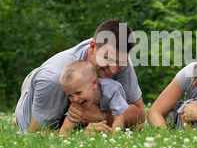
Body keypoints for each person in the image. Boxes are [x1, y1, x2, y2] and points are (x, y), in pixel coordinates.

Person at [15, 20, 145, 134]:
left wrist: (99, 117)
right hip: (41, 82)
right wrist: (81, 134)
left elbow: (140, 115)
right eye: (107, 59)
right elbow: (36, 133)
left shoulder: (119, 59)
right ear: (93, 47)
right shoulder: (53, 78)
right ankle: (18, 116)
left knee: (137, 127)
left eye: (120, 62)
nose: (113, 69)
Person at [59, 61, 129, 135]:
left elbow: (120, 115)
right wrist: (63, 135)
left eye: (78, 93)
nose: (75, 99)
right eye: (70, 95)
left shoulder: (111, 89)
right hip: (94, 127)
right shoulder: (79, 101)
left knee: (135, 126)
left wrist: (114, 136)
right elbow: (69, 121)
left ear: (94, 83)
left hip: (118, 122)